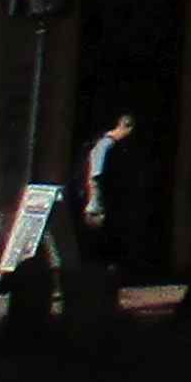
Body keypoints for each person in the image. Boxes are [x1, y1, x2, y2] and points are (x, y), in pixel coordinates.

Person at [80, 113, 141, 272]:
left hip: (107, 204)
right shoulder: (105, 145)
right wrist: (96, 204)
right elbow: (96, 177)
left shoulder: (113, 146)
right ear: (125, 127)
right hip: (99, 206)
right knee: (99, 245)